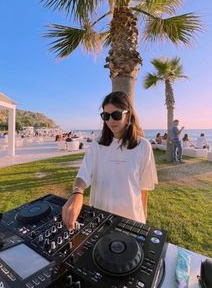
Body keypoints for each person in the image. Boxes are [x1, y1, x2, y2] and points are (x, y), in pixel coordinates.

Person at [62, 91, 158, 230]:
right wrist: (77, 193)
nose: (111, 121)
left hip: (131, 220)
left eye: (116, 115)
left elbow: (144, 190)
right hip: (100, 219)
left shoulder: (143, 146)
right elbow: (82, 175)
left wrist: (143, 221)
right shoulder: (97, 146)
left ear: (129, 114)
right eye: (106, 116)